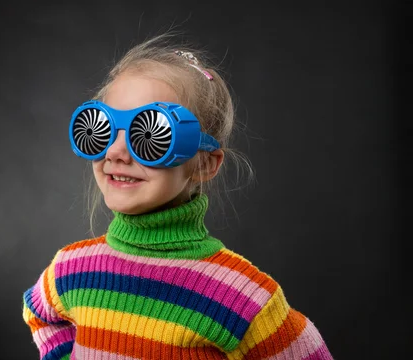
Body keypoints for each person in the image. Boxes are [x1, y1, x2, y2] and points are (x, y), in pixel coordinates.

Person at [22, 34, 333, 360]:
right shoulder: (72, 270)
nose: (116, 151)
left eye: (152, 133)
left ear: (204, 163)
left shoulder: (238, 296)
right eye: (101, 128)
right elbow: (38, 312)